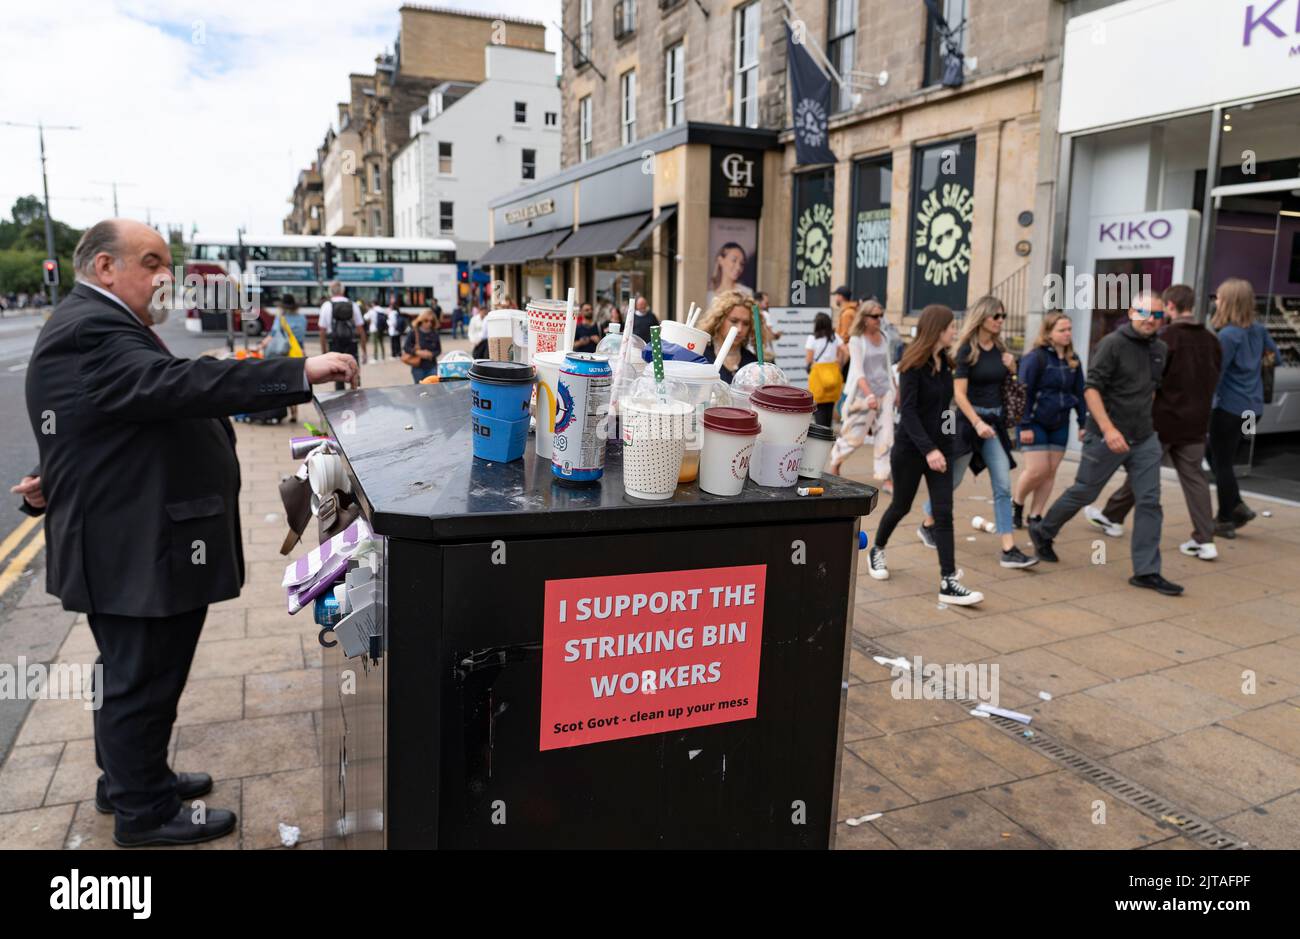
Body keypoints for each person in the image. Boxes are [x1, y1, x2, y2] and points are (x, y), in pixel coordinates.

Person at [14, 219, 356, 848]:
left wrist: (51, 474)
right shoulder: (93, 325)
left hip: (130, 535)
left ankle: (130, 780)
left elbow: (98, 417)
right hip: (131, 546)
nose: (165, 277)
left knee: (132, 671)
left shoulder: (100, 323)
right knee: (140, 677)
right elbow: (176, 386)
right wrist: (296, 371)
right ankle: (142, 814)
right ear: (105, 268)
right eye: (150, 262)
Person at [1028, 292, 1183, 595]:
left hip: (1144, 438)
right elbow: (1091, 389)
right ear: (1131, 312)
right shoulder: (1112, 344)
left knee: (1150, 501)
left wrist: (1143, 422)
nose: (1150, 319)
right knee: (1085, 492)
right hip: (1106, 435)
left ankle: (1147, 571)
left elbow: (1150, 390)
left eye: (1157, 315)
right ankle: (1044, 531)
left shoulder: (1160, 349)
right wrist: (1108, 428)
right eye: (1144, 312)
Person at [1088, 285, 1221, 559]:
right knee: (1194, 479)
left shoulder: (1165, 339)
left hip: (1162, 420)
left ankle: (1112, 516)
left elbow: (1151, 381)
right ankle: (1205, 539)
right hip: (1196, 421)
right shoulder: (1211, 339)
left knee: (1143, 473)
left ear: (1169, 307)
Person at [866, 304, 984, 606]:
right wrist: (928, 449)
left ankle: (948, 581)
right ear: (937, 329)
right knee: (901, 505)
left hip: (939, 450)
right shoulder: (912, 364)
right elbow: (909, 414)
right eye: (950, 327)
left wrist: (946, 446)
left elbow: (945, 409)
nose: (954, 331)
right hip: (910, 449)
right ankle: (877, 549)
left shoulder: (946, 364)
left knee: (943, 513)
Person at [919, 296, 1037, 569]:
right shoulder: (966, 352)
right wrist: (977, 423)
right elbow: (959, 395)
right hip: (968, 425)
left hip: (993, 426)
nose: (1000, 321)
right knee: (953, 480)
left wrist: (1013, 368)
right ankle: (928, 522)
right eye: (996, 316)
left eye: (1003, 317)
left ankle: (1008, 548)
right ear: (982, 317)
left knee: (1003, 486)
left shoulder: (1002, 350)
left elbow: (1012, 387)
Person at [1207, 277, 1279, 539]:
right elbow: (1275, 358)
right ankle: (1236, 505)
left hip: (1230, 407)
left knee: (1221, 460)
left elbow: (1217, 373)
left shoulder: (1228, 335)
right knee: (1218, 456)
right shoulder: (1258, 330)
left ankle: (1226, 518)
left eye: (1219, 297)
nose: (1216, 301)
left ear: (1229, 302)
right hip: (1252, 408)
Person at [1012, 311, 1087, 529]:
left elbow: (1080, 394)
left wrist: (1083, 423)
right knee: (1037, 470)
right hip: (1033, 422)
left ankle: (1035, 516)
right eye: (1062, 330)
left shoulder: (1073, 360)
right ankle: (1016, 503)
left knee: (1050, 471)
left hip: (1060, 423)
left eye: (1069, 329)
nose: (1067, 334)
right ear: (1049, 333)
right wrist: (1023, 424)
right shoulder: (1035, 358)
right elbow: (1022, 392)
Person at [829, 300, 895, 490]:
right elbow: (858, 371)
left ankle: (885, 477)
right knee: (854, 436)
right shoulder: (857, 340)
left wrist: (894, 388)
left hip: (885, 392)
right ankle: (836, 462)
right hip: (862, 395)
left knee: (886, 436)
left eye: (881, 315)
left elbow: (887, 365)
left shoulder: (884, 336)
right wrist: (869, 396)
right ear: (864, 318)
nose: (879, 319)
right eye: (875, 316)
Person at [258, 294, 309, 422]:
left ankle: (285, 410)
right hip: (297, 354)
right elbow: (301, 338)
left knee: (284, 382)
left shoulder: (281, 318)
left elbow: (273, 335)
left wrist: (262, 344)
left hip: (283, 353)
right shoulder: (302, 319)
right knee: (295, 381)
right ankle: (295, 413)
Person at [698, 289, 758, 384]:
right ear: (719, 320)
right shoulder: (700, 355)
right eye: (734, 321)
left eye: (746, 323)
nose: (739, 329)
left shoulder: (753, 363)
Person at [319, 281, 366, 390]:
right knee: (354, 375)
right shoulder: (353, 305)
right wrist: (364, 351)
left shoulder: (326, 306)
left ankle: (341, 404)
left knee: (338, 377)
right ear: (343, 290)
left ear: (330, 292)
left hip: (334, 345)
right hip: (351, 344)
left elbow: (322, 331)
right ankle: (358, 400)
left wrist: (324, 352)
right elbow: (361, 330)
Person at [804, 311, 846, 426]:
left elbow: (809, 359)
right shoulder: (835, 337)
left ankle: (821, 436)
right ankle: (827, 432)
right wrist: (840, 363)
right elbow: (845, 350)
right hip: (833, 372)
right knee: (830, 406)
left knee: (819, 407)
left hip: (818, 374)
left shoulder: (812, 338)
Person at [403, 308, 442, 382]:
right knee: (419, 389)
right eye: (426, 321)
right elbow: (406, 347)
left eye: (432, 321)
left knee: (433, 389)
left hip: (432, 367)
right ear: (421, 320)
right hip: (418, 367)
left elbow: (438, 350)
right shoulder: (414, 332)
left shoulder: (434, 333)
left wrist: (431, 354)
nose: (429, 323)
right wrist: (417, 352)